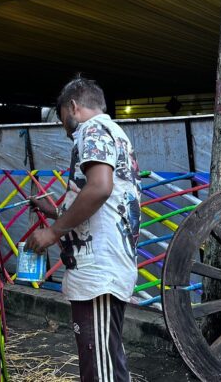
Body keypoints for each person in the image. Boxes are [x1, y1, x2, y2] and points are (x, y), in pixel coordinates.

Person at [27, 76, 140, 382]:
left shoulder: (91, 130)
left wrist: (53, 232)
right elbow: (102, 200)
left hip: (98, 270)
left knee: (100, 368)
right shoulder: (115, 134)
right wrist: (52, 210)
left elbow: (100, 188)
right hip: (107, 263)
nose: (64, 127)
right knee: (106, 359)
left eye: (63, 116)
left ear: (73, 107)